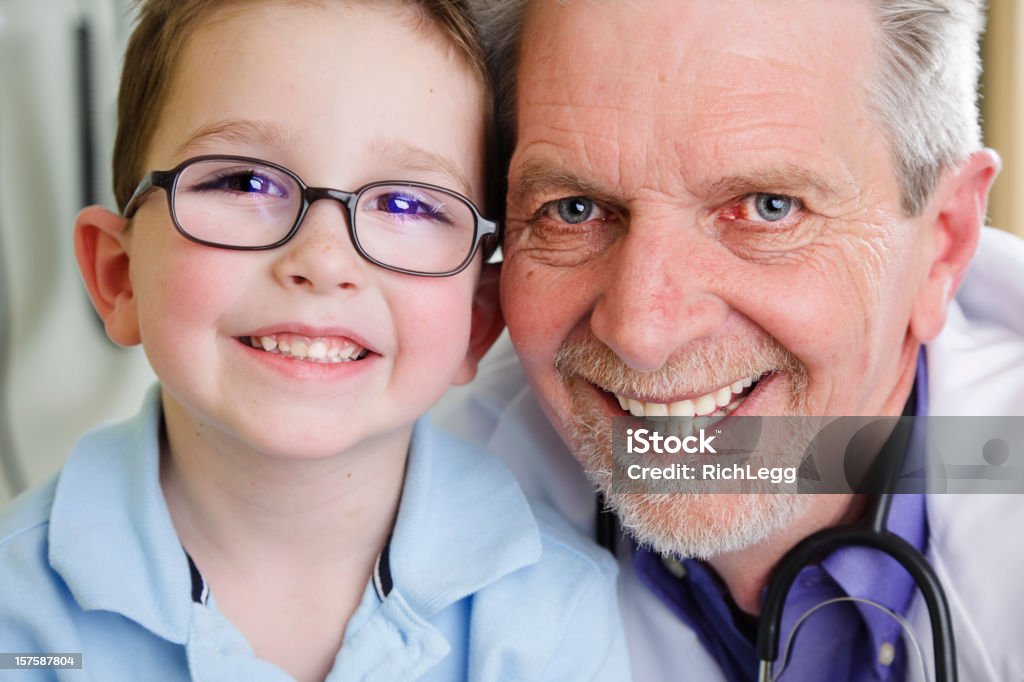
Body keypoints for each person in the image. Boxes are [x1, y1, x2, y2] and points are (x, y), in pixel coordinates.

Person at [0, 1, 630, 680]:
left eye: (409, 204)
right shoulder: (18, 616)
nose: (324, 259)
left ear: (477, 321)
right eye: (242, 180)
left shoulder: (555, 613)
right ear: (119, 277)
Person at [437, 0, 1024, 679]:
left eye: (768, 207)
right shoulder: (426, 520)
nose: (642, 334)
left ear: (943, 241)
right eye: (575, 211)